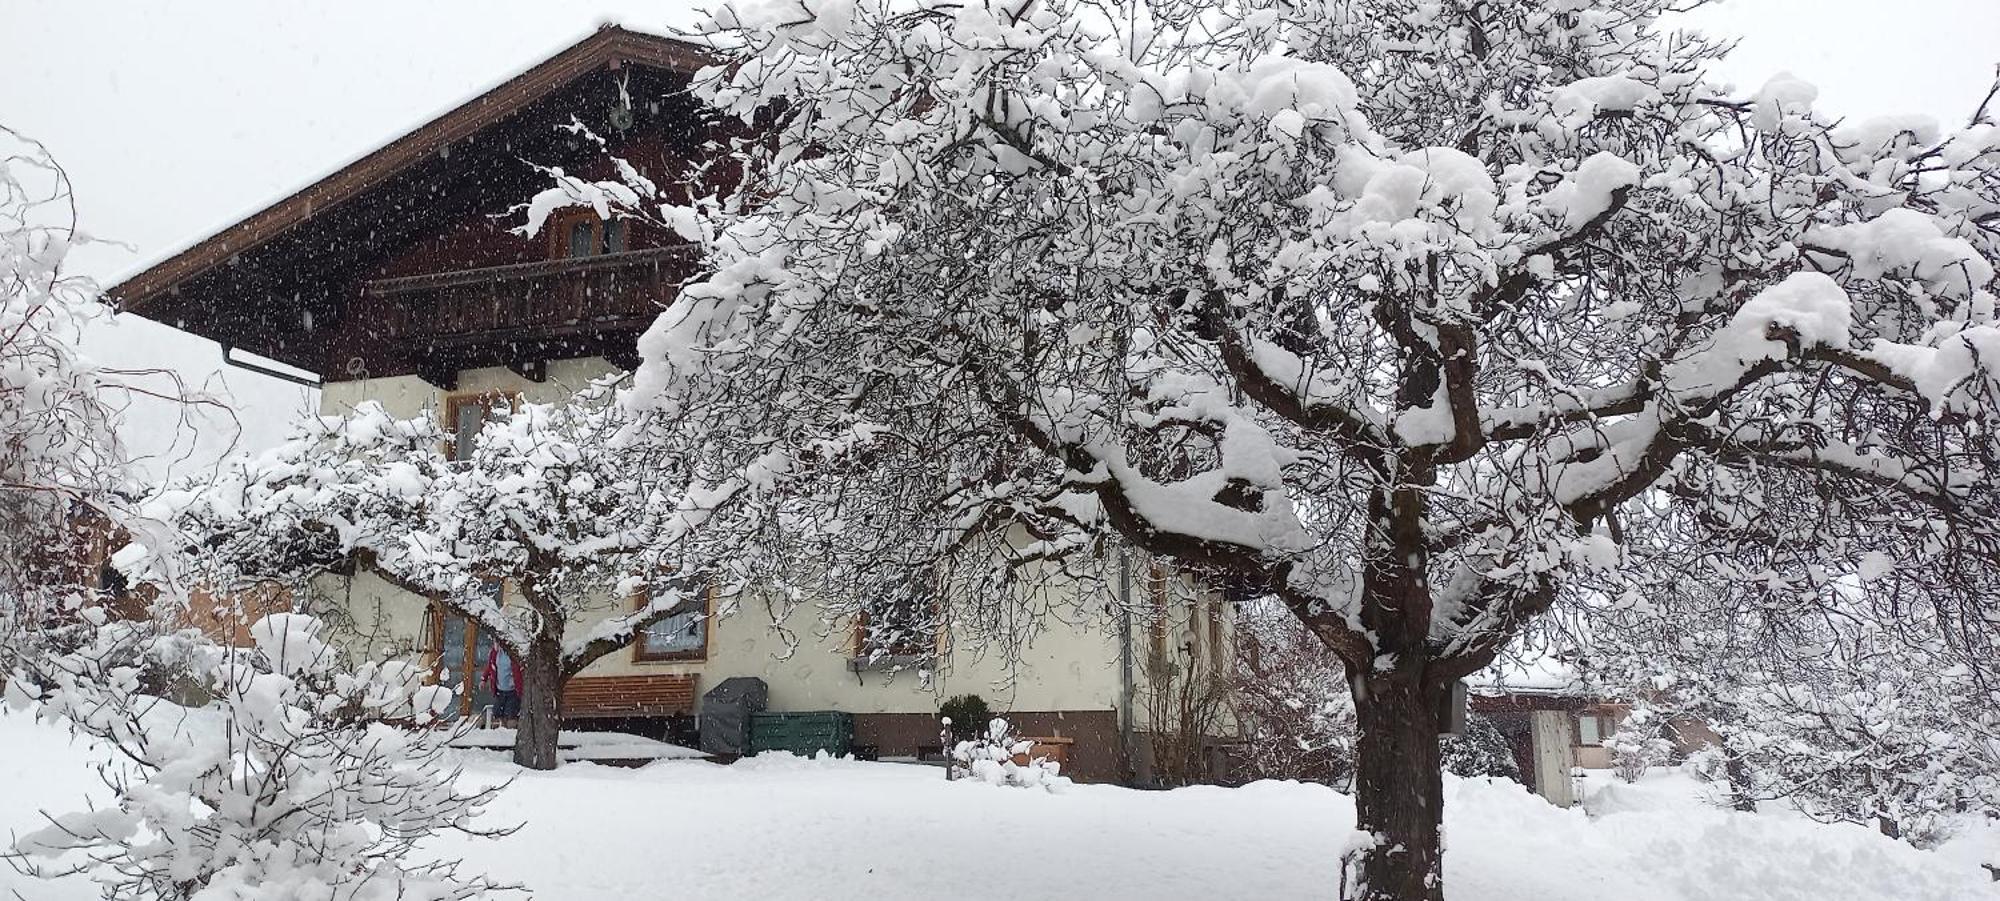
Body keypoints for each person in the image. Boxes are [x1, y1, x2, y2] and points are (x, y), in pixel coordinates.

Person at [481, 643, 523, 729]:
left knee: (510, 714)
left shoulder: (515, 653)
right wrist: (483, 679)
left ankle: (511, 731)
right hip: (500, 689)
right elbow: (490, 666)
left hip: (513, 690)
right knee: (498, 712)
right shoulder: (495, 652)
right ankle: (503, 730)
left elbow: (520, 669)